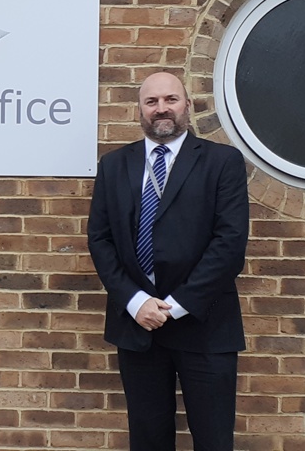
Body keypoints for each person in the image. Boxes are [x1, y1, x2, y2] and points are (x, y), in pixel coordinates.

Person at [87, 72, 249, 451]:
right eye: (151, 101)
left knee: (213, 440)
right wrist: (136, 301)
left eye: (171, 99)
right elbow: (100, 239)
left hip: (205, 324)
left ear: (188, 105)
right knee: (148, 441)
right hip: (138, 326)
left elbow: (229, 244)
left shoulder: (221, 162)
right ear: (139, 110)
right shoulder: (113, 166)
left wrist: (175, 307)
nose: (162, 109)